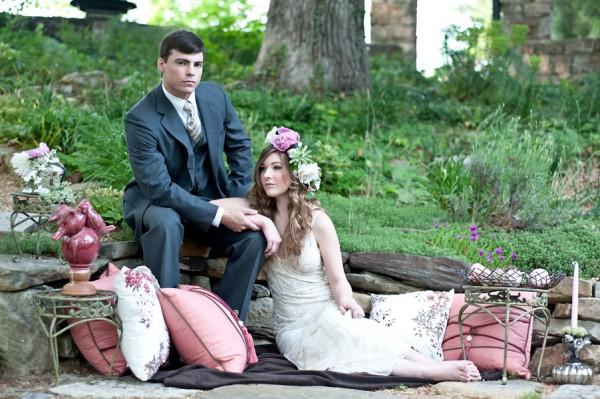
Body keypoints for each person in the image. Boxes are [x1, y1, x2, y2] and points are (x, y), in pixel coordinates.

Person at [216, 126, 482, 381]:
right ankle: (430, 373)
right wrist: (262, 222)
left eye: (277, 168)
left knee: (354, 331)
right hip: (293, 327)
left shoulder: (318, 221)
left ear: (295, 173)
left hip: (324, 309)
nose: (267, 176)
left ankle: (434, 366)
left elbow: (337, 279)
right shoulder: (258, 210)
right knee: (336, 340)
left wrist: (347, 301)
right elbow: (210, 206)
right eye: (263, 169)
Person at [122, 30, 280, 321]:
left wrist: (235, 195)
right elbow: (158, 188)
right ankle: (166, 323)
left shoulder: (214, 96)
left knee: (252, 240)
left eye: (197, 64)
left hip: (211, 198)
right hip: (159, 203)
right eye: (182, 63)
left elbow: (240, 146)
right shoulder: (140, 118)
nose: (191, 72)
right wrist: (218, 213)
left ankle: (228, 323)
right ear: (161, 64)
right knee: (167, 223)